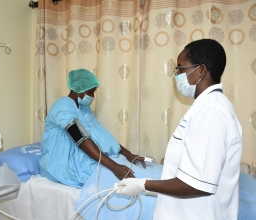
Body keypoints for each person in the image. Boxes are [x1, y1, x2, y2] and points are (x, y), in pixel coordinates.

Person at [114, 39, 242, 220]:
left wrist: (143, 185)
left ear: (201, 70)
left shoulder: (211, 110)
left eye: (181, 68)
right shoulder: (207, 107)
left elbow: (197, 185)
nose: (177, 75)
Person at [39, 68, 146, 188]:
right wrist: (114, 167)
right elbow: (81, 139)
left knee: (126, 169)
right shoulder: (62, 107)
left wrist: (128, 154)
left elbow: (101, 133)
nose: (92, 96)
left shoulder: (84, 108)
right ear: (79, 90)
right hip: (60, 162)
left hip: (79, 154)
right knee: (110, 176)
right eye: (90, 92)